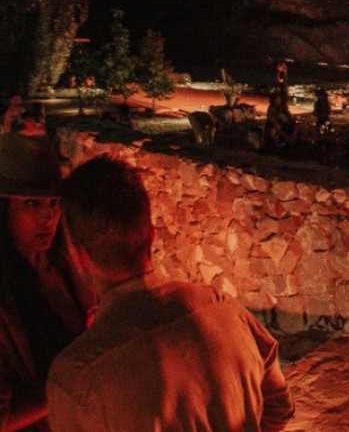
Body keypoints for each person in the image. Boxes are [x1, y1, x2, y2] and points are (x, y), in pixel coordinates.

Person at [47, 154, 293, 431]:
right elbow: (278, 409)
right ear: (151, 235)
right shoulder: (225, 309)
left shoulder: (77, 376)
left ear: (80, 256)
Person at [1, 135, 89, 432]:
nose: (48, 216)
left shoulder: (62, 267)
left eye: (54, 203)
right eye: (31, 203)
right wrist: (70, 384)